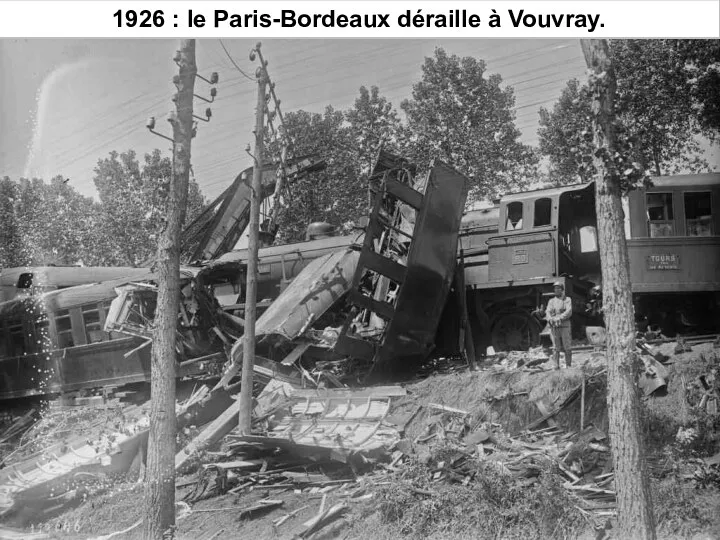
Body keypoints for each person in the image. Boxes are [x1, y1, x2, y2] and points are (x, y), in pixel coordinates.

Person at [545, 281, 573, 369]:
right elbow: (548, 311)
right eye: (555, 288)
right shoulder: (551, 301)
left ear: (562, 290)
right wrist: (550, 318)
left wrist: (560, 317)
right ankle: (556, 366)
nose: (556, 290)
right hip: (554, 326)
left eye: (558, 288)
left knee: (567, 346)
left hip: (564, 325)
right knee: (555, 347)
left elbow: (569, 311)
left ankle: (568, 366)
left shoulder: (567, 299)